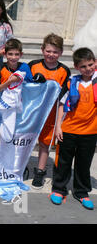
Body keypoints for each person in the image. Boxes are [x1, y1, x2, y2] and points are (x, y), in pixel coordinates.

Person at [50, 47, 96, 210]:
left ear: (95, 63)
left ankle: (81, 192)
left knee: (84, 164)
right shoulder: (71, 82)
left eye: (90, 64)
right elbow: (61, 105)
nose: (88, 69)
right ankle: (58, 189)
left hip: (90, 132)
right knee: (63, 162)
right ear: (77, 67)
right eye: (83, 66)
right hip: (68, 129)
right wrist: (58, 127)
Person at [29, 33, 70, 188]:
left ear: (61, 53)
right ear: (42, 50)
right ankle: (19, 167)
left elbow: (63, 98)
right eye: (48, 51)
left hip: (50, 114)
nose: (51, 54)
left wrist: (60, 120)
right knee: (25, 141)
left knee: (45, 144)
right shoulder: (33, 65)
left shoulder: (64, 71)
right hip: (32, 113)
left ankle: (40, 171)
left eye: (55, 52)